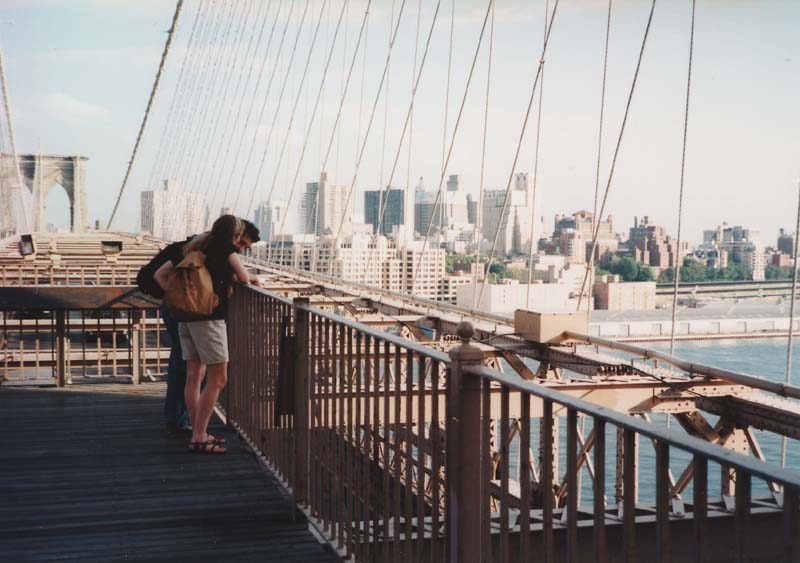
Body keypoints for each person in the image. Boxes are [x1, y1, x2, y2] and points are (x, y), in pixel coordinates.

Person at [155, 215, 258, 453]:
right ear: (235, 235)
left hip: (185, 319)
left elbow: (159, 274)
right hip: (209, 321)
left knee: (194, 376)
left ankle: (196, 430)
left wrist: (178, 296)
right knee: (218, 379)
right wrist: (253, 278)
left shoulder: (193, 247)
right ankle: (199, 436)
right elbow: (244, 278)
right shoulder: (227, 251)